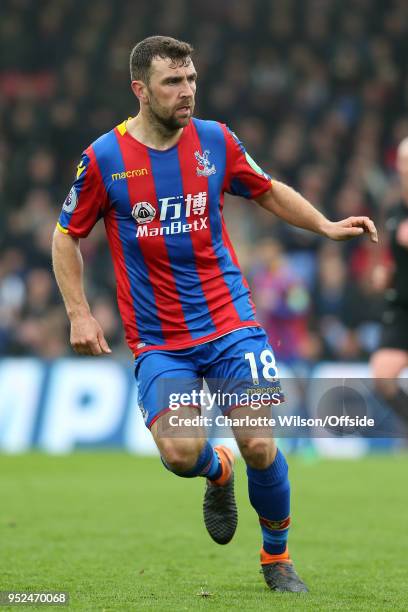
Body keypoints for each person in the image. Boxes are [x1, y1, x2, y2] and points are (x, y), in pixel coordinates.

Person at [52, 36, 378, 593]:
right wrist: (79, 313)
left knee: (259, 440)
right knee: (180, 453)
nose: (187, 92)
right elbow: (66, 238)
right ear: (140, 90)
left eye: (192, 79)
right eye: (172, 83)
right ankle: (215, 470)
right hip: (159, 338)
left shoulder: (215, 140)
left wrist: (325, 225)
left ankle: (277, 557)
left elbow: (267, 189)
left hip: (229, 320)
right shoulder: (104, 158)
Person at [370, 138, 408, 427]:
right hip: (401, 306)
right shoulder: (395, 211)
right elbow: (392, 259)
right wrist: (386, 273)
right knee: (382, 375)